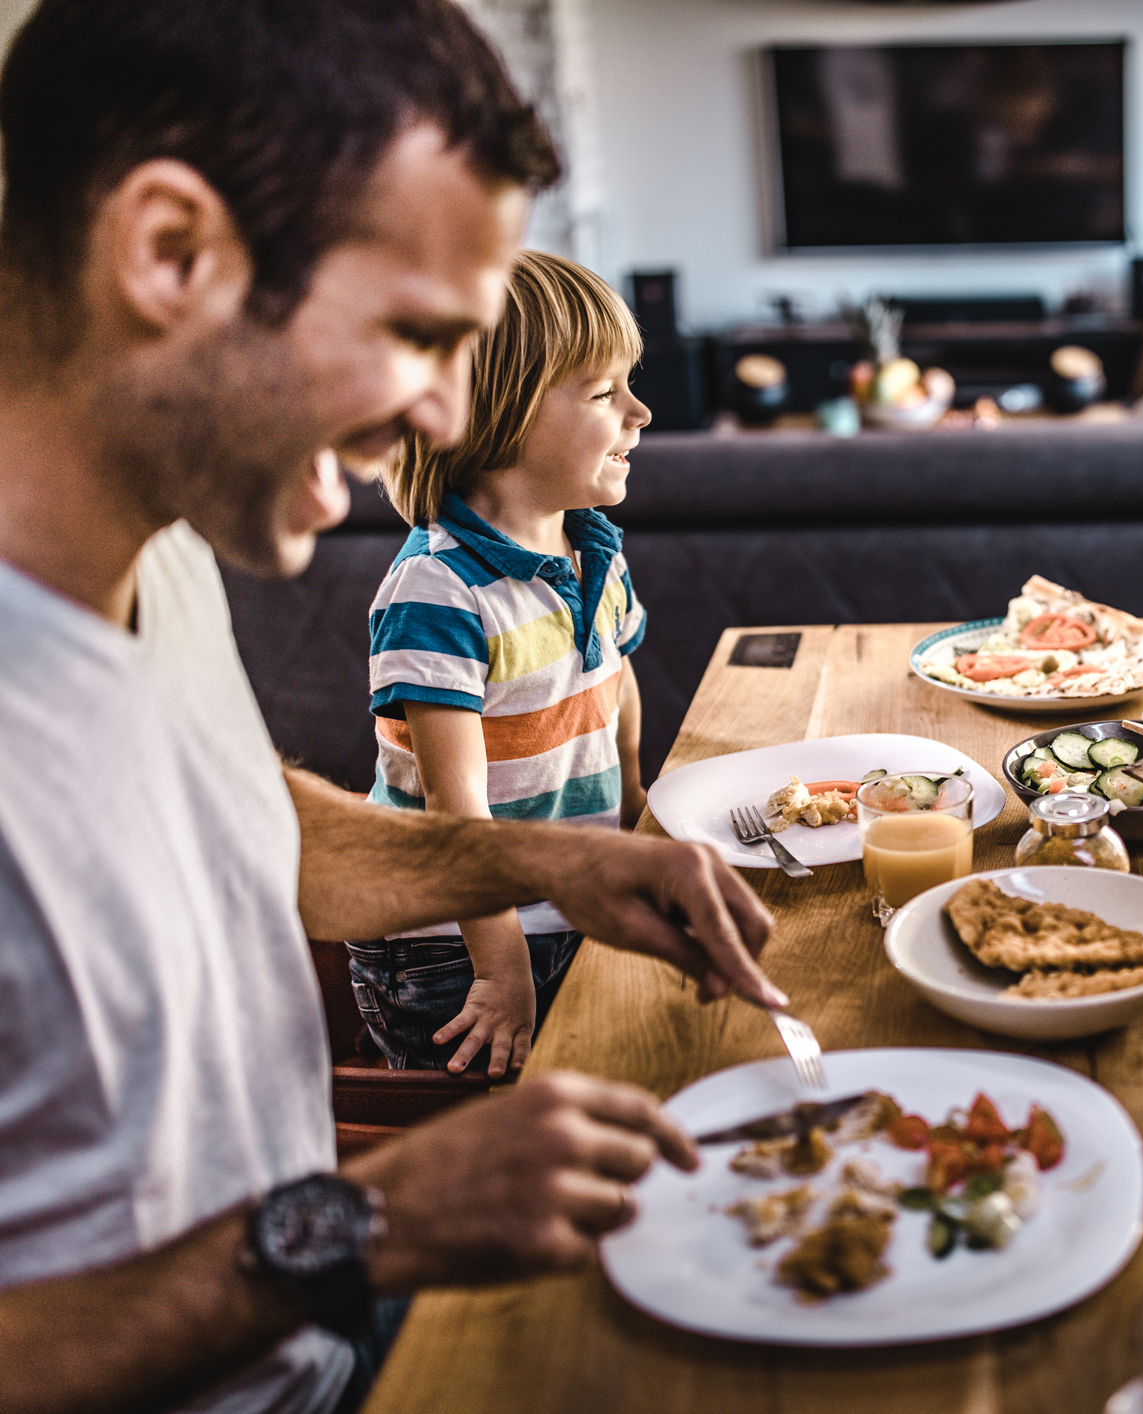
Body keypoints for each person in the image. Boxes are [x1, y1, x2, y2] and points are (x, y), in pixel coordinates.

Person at [0, 4, 789, 1412]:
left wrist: (547, 855)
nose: (442, 417)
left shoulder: (160, 547)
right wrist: (366, 1224)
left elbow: (227, 818)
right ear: (169, 252)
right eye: (414, 334)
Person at [354, 251, 653, 1077]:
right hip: (454, 946)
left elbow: (612, 681)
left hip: (561, 904)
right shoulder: (439, 588)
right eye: (603, 394)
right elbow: (458, 807)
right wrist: (500, 967)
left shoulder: (591, 545)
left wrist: (632, 810)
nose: (641, 412)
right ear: (500, 415)